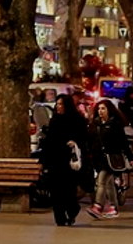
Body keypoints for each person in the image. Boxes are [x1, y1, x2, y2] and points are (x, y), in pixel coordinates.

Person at [86, 100, 133, 219]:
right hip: (99, 158)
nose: (100, 111)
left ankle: (98, 206)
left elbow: (123, 142)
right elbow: (90, 140)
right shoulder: (95, 125)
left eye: (103, 108)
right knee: (109, 184)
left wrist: (131, 157)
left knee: (101, 181)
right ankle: (113, 207)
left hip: (111, 158)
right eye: (99, 109)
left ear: (109, 110)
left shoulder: (115, 125)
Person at [45, 94, 88, 226]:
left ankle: (72, 210)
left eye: (61, 104)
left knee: (68, 190)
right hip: (55, 160)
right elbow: (49, 141)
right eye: (57, 104)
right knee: (56, 191)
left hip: (69, 160)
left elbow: (84, 138)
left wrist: (75, 142)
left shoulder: (77, 120)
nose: (58, 107)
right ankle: (60, 218)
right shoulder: (54, 120)